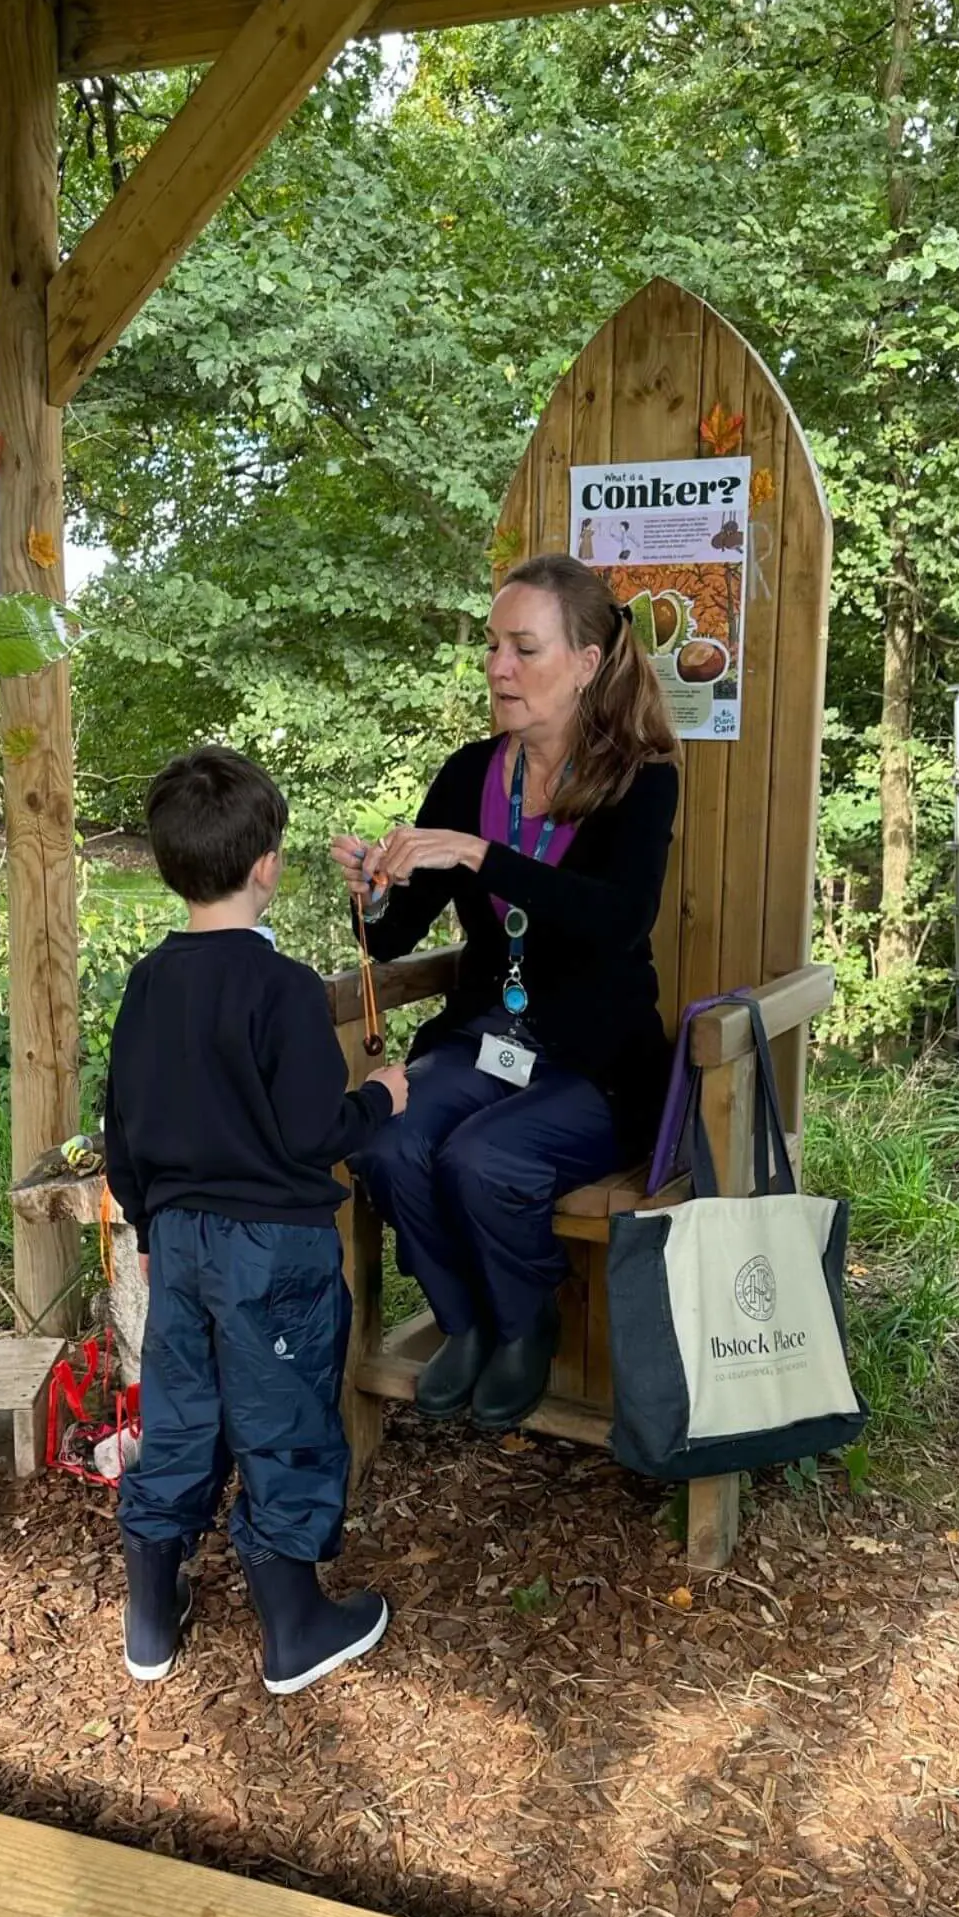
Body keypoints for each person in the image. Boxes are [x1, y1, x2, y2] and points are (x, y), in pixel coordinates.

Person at [331, 553, 679, 1431]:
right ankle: (466, 1324)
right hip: (488, 1040)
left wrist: (482, 857)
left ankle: (525, 1329)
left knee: (484, 1159)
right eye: (494, 647)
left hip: (596, 1067)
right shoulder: (469, 772)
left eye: (524, 647)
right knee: (391, 1140)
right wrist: (371, 893)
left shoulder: (642, 779)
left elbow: (619, 923)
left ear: (588, 663)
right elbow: (390, 939)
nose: (498, 667)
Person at [106, 746, 409, 1694]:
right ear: (267, 863)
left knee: (182, 1416)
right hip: (273, 1249)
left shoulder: (150, 982)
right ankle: (293, 1627)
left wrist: (153, 1232)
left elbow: (126, 1124)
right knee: (282, 1421)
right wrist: (384, 1101)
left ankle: (151, 1621)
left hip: (182, 1241)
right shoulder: (283, 989)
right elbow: (316, 1129)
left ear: (171, 865)